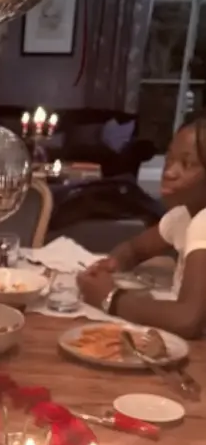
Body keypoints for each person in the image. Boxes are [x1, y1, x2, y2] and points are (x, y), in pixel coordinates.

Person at [78, 113, 206, 338]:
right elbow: (134, 249)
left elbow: (188, 319)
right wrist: (112, 264)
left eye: (186, 164)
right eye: (169, 159)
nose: (169, 172)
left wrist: (110, 297)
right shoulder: (182, 217)